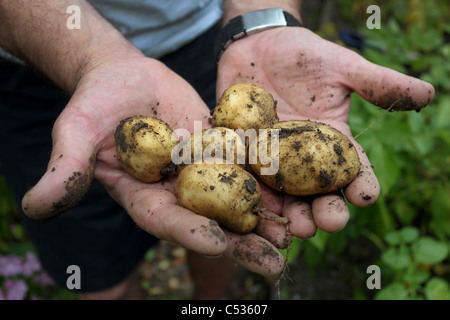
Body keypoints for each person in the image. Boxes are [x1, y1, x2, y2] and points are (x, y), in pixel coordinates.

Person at [0, 0, 434, 300]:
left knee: (214, 245)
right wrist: (91, 58)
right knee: (97, 274)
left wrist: (262, 20)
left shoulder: (235, 137)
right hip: (39, 58)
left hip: (210, 39)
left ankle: (207, 300)